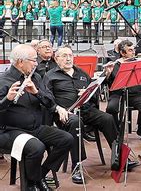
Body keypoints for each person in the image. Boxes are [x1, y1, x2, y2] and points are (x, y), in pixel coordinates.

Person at [0, 44, 73, 191]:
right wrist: (7, 99)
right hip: (10, 131)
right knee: (36, 147)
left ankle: (38, 177)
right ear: (21, 62)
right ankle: (32, 185)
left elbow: (49, 102)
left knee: (66, 139)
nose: (36, 63)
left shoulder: (36, 77)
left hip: (34, 128)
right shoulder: (3, 81)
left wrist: (36, 92)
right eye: (33, 60)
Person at [43, 46, 117, 184]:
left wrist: (88, 93)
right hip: (66, 114)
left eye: (70, 55)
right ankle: (77, 166)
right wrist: (58, 108)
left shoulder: (81, 73)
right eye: (64, 55)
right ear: (56, 58)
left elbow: (95, 92)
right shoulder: (50, 76)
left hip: (86, 110)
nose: (68, 58)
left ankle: (118, 156)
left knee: (108, 118)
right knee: (76, 122)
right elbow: (47, 98)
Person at [104, 40, 141, 141]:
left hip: (135, 93)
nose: (133, 52)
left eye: (133, 49)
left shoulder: (138, 63)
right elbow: (108, 82)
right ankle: (116, 132)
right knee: (111, 109)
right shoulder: (115, 64)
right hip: (118, 94)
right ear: (122, 53)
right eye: (130, 50)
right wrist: (108, 73)